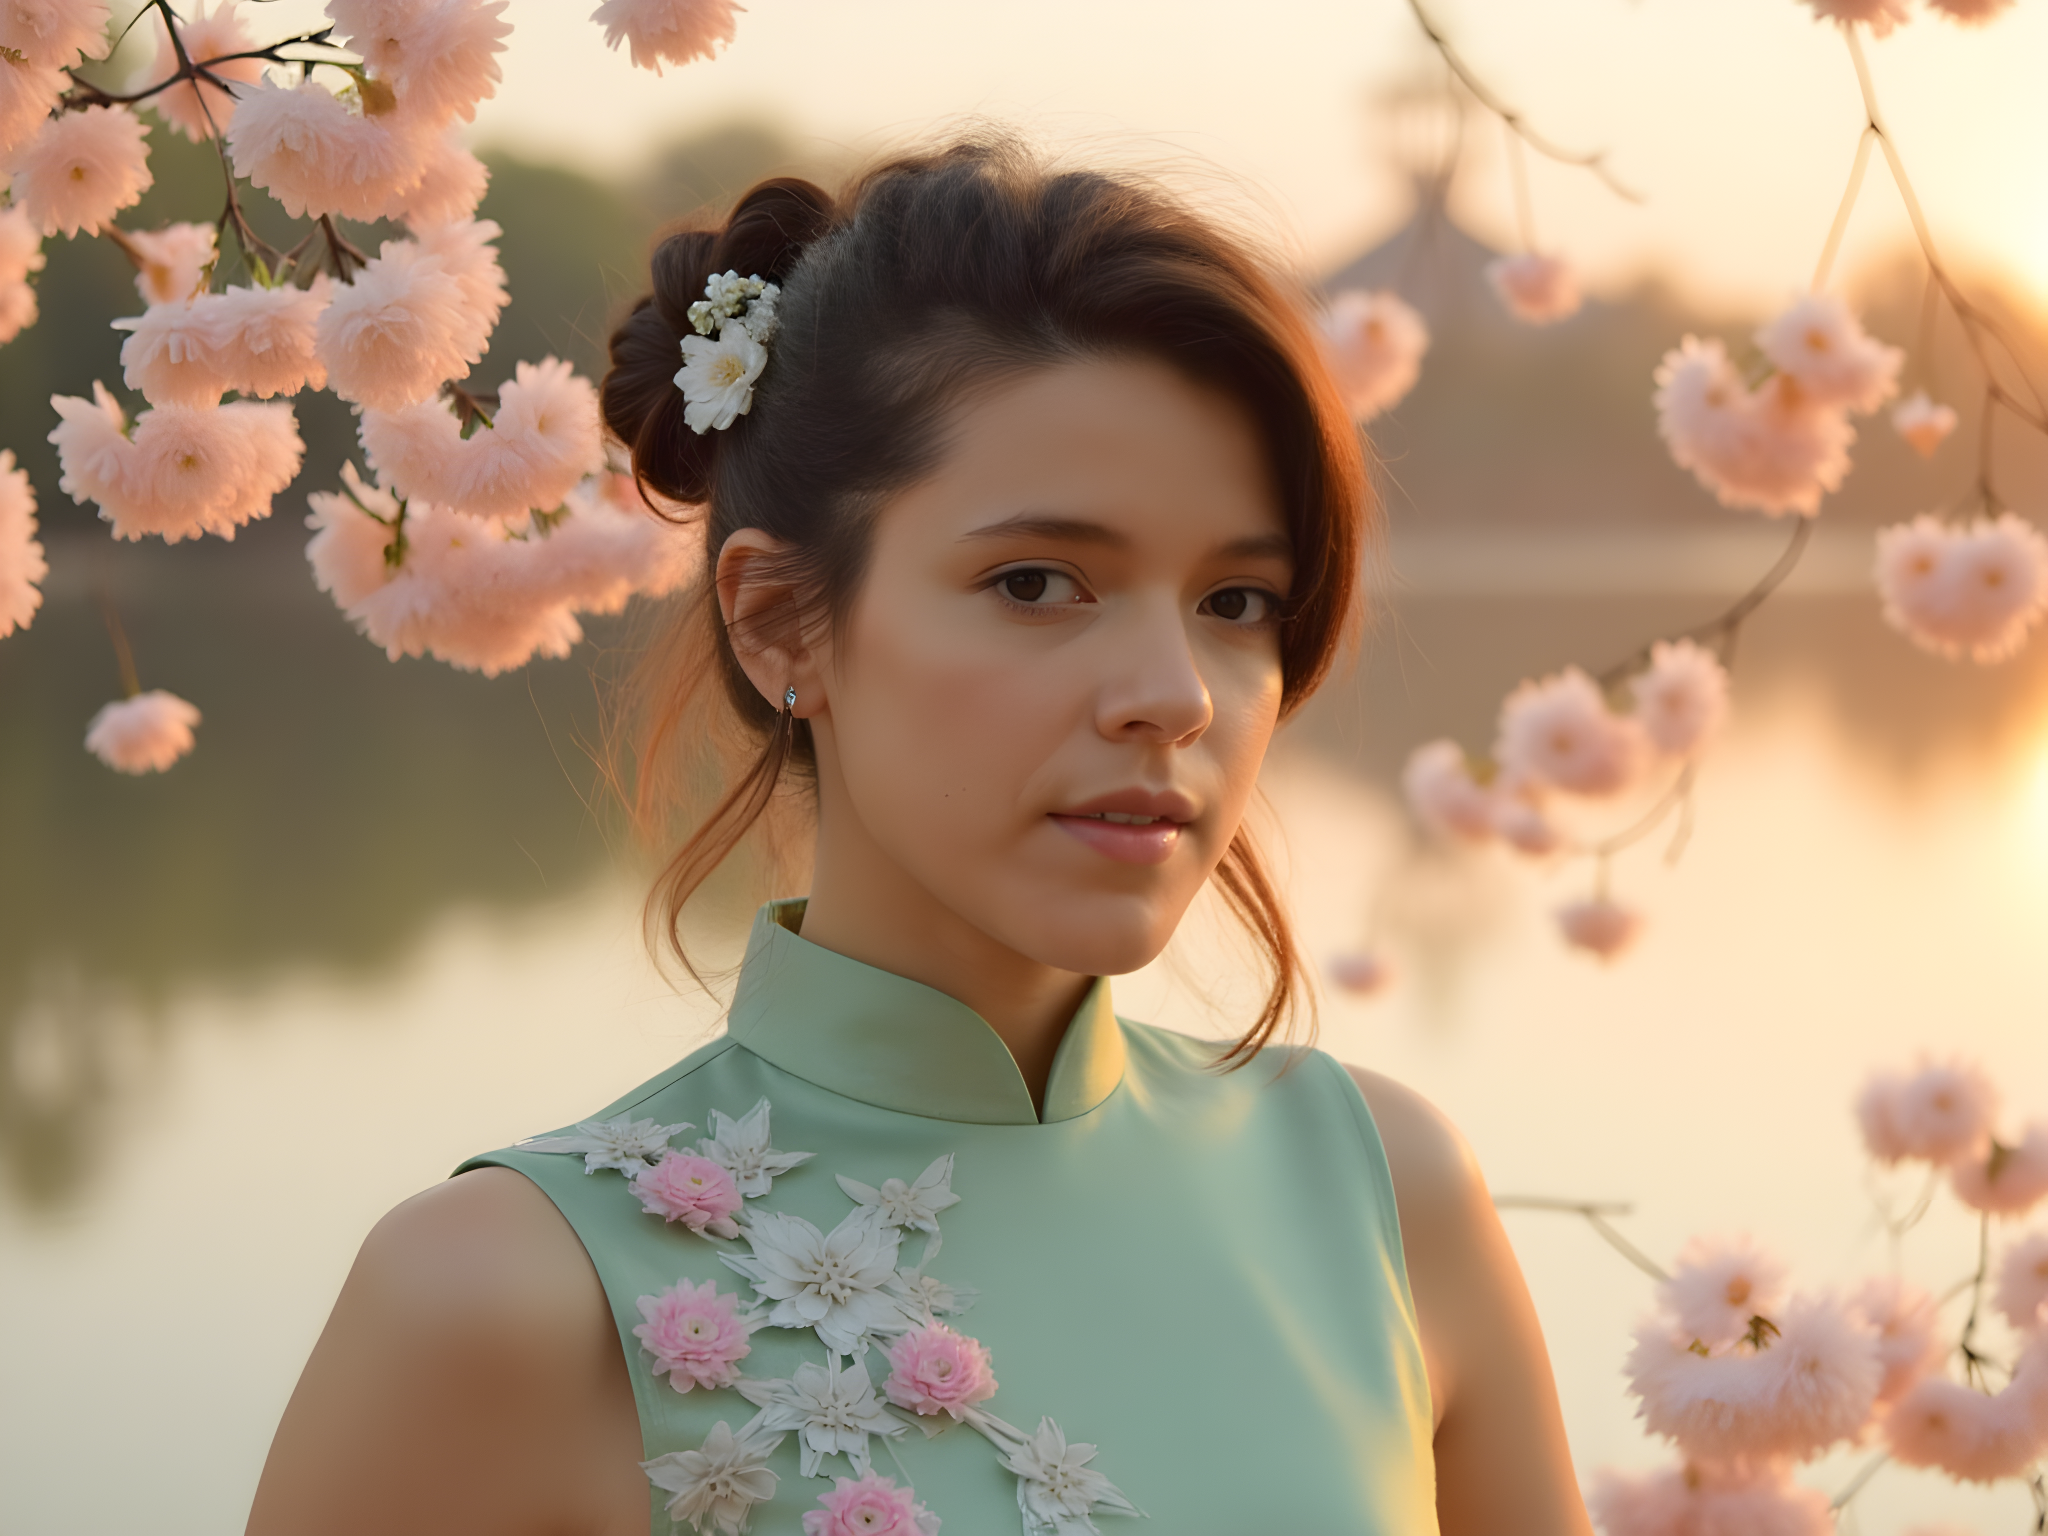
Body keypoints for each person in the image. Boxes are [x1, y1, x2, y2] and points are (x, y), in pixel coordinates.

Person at [246, 134, 1591, 1536]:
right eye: (1037, 582)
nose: (1174, 696)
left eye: (1238, 601)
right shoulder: (504, 1301)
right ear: (781, 621)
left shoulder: (1381, 1193)